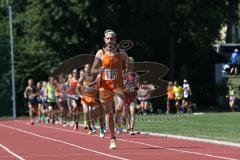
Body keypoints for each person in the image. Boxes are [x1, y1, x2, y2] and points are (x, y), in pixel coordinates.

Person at [91, 29, 128, 149]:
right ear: (104, 40)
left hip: (118, 86)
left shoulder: (121, 53)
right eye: (108, 38)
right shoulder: (100, 53)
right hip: (104, 87)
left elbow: (129, 66)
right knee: (109, 114)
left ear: (115, 40)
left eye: (112, 38)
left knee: (120, 106)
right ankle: (112, 139)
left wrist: (127, 73)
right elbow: (92, 70)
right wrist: (99, 71)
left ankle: (119, 118)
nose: (110, 40)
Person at [123, 57, 139, 135]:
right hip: (125, 97)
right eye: (129, 63)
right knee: (125, 114)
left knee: (132, 113)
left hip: (132, 97)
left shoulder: (135, 75)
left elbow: (137, 86)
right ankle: (125, 120)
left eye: (132, 63)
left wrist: (135, 88)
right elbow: (120, 85)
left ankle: (131, 129)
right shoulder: (124, 74)